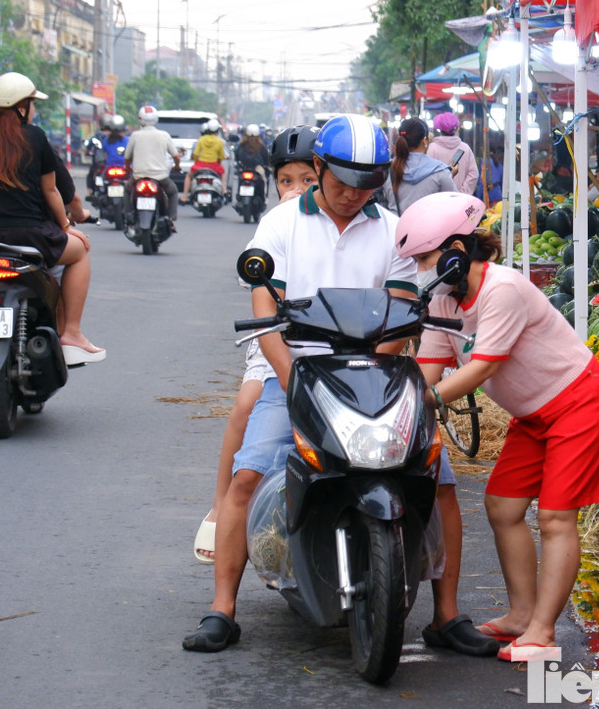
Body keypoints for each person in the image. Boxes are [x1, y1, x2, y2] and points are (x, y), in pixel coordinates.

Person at [183, 115, 497, 658]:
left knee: (438, 479)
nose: (353, 195)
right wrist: (294, 381)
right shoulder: (281, 223)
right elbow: (265, 312)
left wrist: (372, 370)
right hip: (298, 370)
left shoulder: (391, 228)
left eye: (367, 184)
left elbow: (401, 308)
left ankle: (446, 615)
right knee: (248, 474)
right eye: (341, 182)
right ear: (320, 169)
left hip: (375, 373)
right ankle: (222, 609)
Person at [397, 191, 599, 662]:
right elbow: (428, 368)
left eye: (424, 257)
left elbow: (480, 369)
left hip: (577, 402)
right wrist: (398, 403)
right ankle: (521, 615)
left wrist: (431, 400)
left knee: (556, 516)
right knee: (501, 506)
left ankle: (542, 634)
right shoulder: (444, 301)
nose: (420, 270)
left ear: (456, 252)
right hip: (534, 416)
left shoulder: (503, 287)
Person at [192, 125, 321, 566]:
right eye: (286, 180)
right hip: (276, 339)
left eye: (307, 179)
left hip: (330, 342)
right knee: (247, 404)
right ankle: (219, 500)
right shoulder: (274, 224)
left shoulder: (350, 218)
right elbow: (259, 293)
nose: (295, 188)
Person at [0, 72, 104, 365]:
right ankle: (72, 332)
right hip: (29, 237)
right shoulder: (35, 138)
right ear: (21, 106)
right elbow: (51, 190)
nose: (33, 108)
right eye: (31, 103)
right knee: (80, 252)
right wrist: (66, 228)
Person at [384, 117, 456, 215]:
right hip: (429, 229)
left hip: (394, 227)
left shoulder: (386, 169)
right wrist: (450, 175)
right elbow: (455, 205)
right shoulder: (440, 171)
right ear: (424, 141)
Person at [124, 105, 180, 220]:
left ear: (140, 119)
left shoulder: (135, 135)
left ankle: (128, 214)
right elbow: (176, 156)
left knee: (126, 190)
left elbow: (127, 157)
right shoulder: (164, 135)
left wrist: (128, 168)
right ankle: (171, 217)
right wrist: (177, 166)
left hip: (138, 177)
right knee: (173, 192)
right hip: (160, 177)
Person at [425, 112, 478, 195]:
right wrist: (462, 192)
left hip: (438, 200)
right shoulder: (465, 148)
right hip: (460, 201)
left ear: (439, 129)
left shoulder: (432, 149)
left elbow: (427, 177)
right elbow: (474, 174)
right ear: (456, 128)